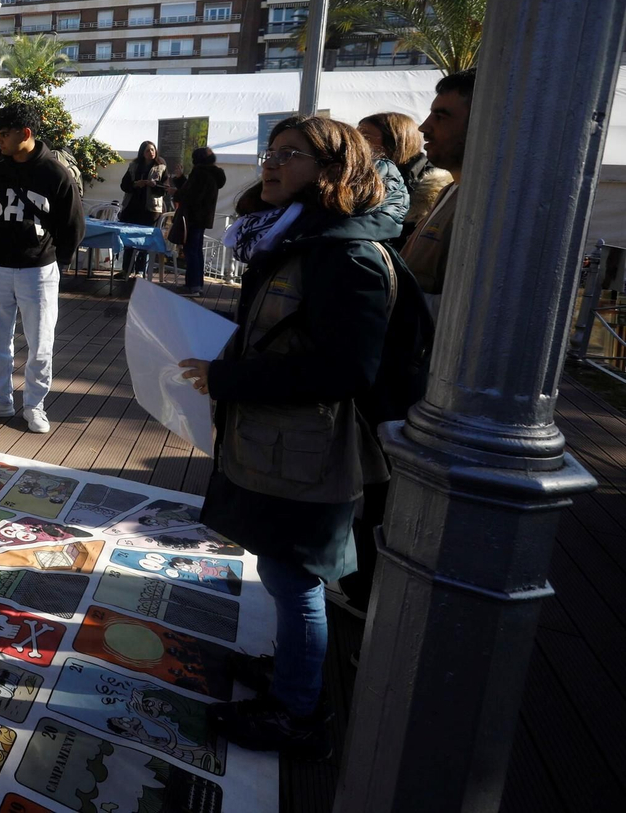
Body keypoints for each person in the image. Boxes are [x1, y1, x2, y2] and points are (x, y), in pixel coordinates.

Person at [178, 115, 401, 758]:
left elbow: (347, 369)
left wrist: (232, 379)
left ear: (333, 170)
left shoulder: (344, 253)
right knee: (283, 575)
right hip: (280, 444)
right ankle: (290, 674)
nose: (270, 164)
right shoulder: (296, 239)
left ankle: (297, 712)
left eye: (290, 154)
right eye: (270, 152)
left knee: (296, 579)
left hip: (309, 451)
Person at [0, 104, 83, 433]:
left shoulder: (55, 173)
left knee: (41, 342)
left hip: (38, 271)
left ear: (25, 134)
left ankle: (34, 404)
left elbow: (73, 225)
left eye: (4, 134)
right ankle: (0, 399)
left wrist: (58, 263)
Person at [402, 70, 472, 315]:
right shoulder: (449, 191)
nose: (424, 127)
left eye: (441, 117)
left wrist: (383, 299)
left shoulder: (489, 204)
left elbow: (468, 312)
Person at [358, 111, 451, 245]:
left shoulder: (434, 189)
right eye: (355, 137)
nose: (356, 144)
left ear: (396, 141)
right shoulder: (362, 180)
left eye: (365, 137)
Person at [172, 147, 226, 296]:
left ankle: (194, 286)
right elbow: (194, 192)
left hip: (194, 217)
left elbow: (191, 196)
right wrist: (181, 180)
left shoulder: (200, 173)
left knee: (191, 251)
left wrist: (176, 192)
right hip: (202, 218)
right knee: (195, 251)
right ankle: (195, 284)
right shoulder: (213, 173)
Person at [118, 141, 167, 277]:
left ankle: (140, 271)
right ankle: (126, 269)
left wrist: (154, 185)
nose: (151, 153)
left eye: (153, 150)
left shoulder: (161, 167)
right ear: (142, 152)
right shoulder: (134, 166)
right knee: (129, 239)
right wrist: (135, 184)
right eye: (147, 150)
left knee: (144, 240)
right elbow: (124, 185)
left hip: (150, 209)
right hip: (132, 207)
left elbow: (165, 189)